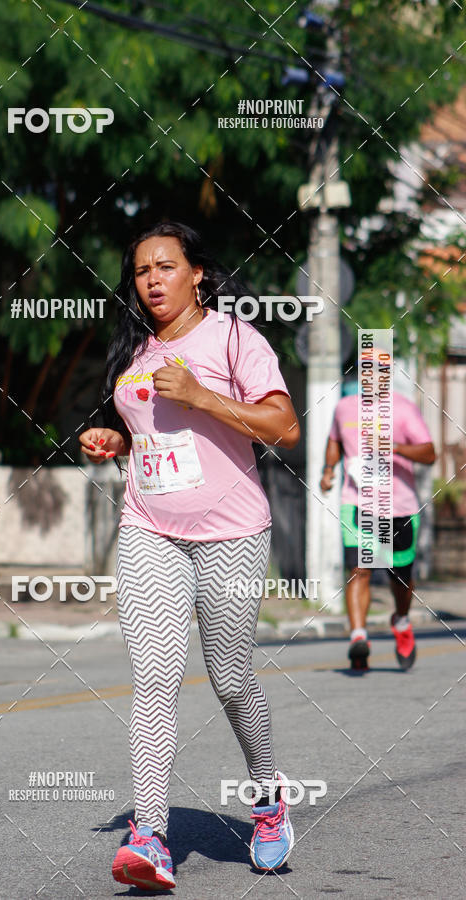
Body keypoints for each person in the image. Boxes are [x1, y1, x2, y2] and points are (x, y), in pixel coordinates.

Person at [79, 221, 300, 890]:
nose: (151, 279)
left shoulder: (235, 337)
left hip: (231, 531)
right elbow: (154, 432)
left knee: (231, 679)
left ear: (196, 273)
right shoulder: (136, 349)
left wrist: (202, 394)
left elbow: (283, 427)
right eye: (142, 269)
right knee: (153, 679)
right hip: (150, 528)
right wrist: (116, 440)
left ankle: (267, 800)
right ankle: (150, 836)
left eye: (166, 266)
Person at [320, 371, 435, 672]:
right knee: (359, 569)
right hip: (357, 503)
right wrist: (328, 470)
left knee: (400, 577)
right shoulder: (345, 407)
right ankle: (359, 636)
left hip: (399, 507)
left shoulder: (404, 408)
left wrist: (394, 447)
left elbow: (429, 452)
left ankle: (401, 619)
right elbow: (334, 440)